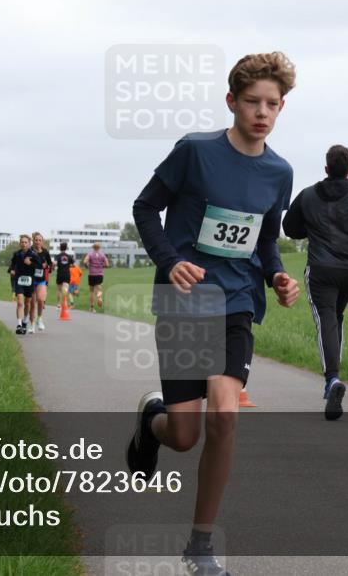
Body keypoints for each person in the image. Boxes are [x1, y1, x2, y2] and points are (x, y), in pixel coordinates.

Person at [128, 52, 300, 576]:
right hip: (186, 300)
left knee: (224, 414)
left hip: (237, 302)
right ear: (232, 102)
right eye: (253, 102)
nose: (263, 112)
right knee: (185, 436)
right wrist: (171, 260)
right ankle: (149, 423)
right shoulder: (194, 153)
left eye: (273, 104)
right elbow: (144, 207)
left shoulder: (279, 172)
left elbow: (266, 240)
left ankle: (200, 547)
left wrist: (276, 275)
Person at [282, 144, 348, 420]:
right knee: (336, 316)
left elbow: (289, 227)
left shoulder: (307, 195)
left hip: (319, 268)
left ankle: (332, 378)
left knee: (326, 319)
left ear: (326, 168)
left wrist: (312, 230)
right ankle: (334, 376)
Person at [9, 235, 37, 335]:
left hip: (29, 281)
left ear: (29, 244)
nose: (24, 244)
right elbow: (12, 264)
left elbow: (38, 268)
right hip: (19, 280)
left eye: (26, 242)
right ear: (20, 243)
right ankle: (19, 324)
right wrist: (12, 270)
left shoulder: (33, 255)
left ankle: (25, 321)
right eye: (22, 242)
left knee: (27, 303)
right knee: (20, 302)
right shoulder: (16, 254)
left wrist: (30, 263)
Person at [31, 233, 53, 331]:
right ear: (33, 241)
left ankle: (39, 319)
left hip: (41, 279)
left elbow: (50, 264)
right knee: (32, 302)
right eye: (36, 240)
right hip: (31, 279)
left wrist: (46, 266)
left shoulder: (45, 252)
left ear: (42, 241)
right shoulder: (30, 251)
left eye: (40, 240)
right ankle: (31, 324)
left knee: (40, 299)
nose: (38, 242)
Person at [83, 242, 109, 312]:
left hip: (91, 274)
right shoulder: (102, 255)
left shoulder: (90, 254)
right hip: (99, 274)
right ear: (99, 247)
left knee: (91, 291)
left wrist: (87, 266)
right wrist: (101, 266)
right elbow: (107, 264)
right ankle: (99, 298)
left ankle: (92, 308)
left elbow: (85, 261)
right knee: (99, 289)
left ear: (93, 247)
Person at [55, 241, 75, 309]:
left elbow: (54, 263)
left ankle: (58, 304)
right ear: (66, 248)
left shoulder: (57, 256)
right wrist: (69, 265)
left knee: (59, 290)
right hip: (67, 274)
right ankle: (65, 302)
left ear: (60, 248)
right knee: (65, 288)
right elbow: (73, 265)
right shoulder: (69, 256)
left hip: (60, 273)